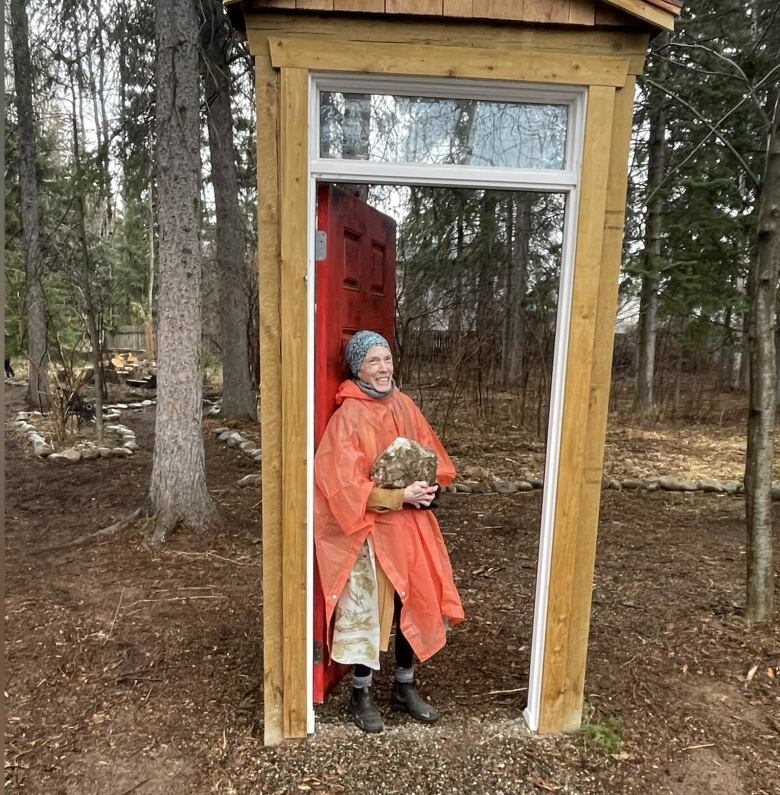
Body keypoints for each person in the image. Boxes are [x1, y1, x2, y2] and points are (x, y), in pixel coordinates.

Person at [314, 330, 464, 733]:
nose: (384, 368)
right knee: (372, 612)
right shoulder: (349, 415)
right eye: (374, 361)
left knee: (409, 602)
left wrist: (428, 491)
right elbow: (340, 482)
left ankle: (403, 686)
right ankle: (360, 694)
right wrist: (398, 497)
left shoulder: (403, 404)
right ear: (358, 368)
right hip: (372, 531)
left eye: (387, 359)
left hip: (411, 527)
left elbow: (429, 454)